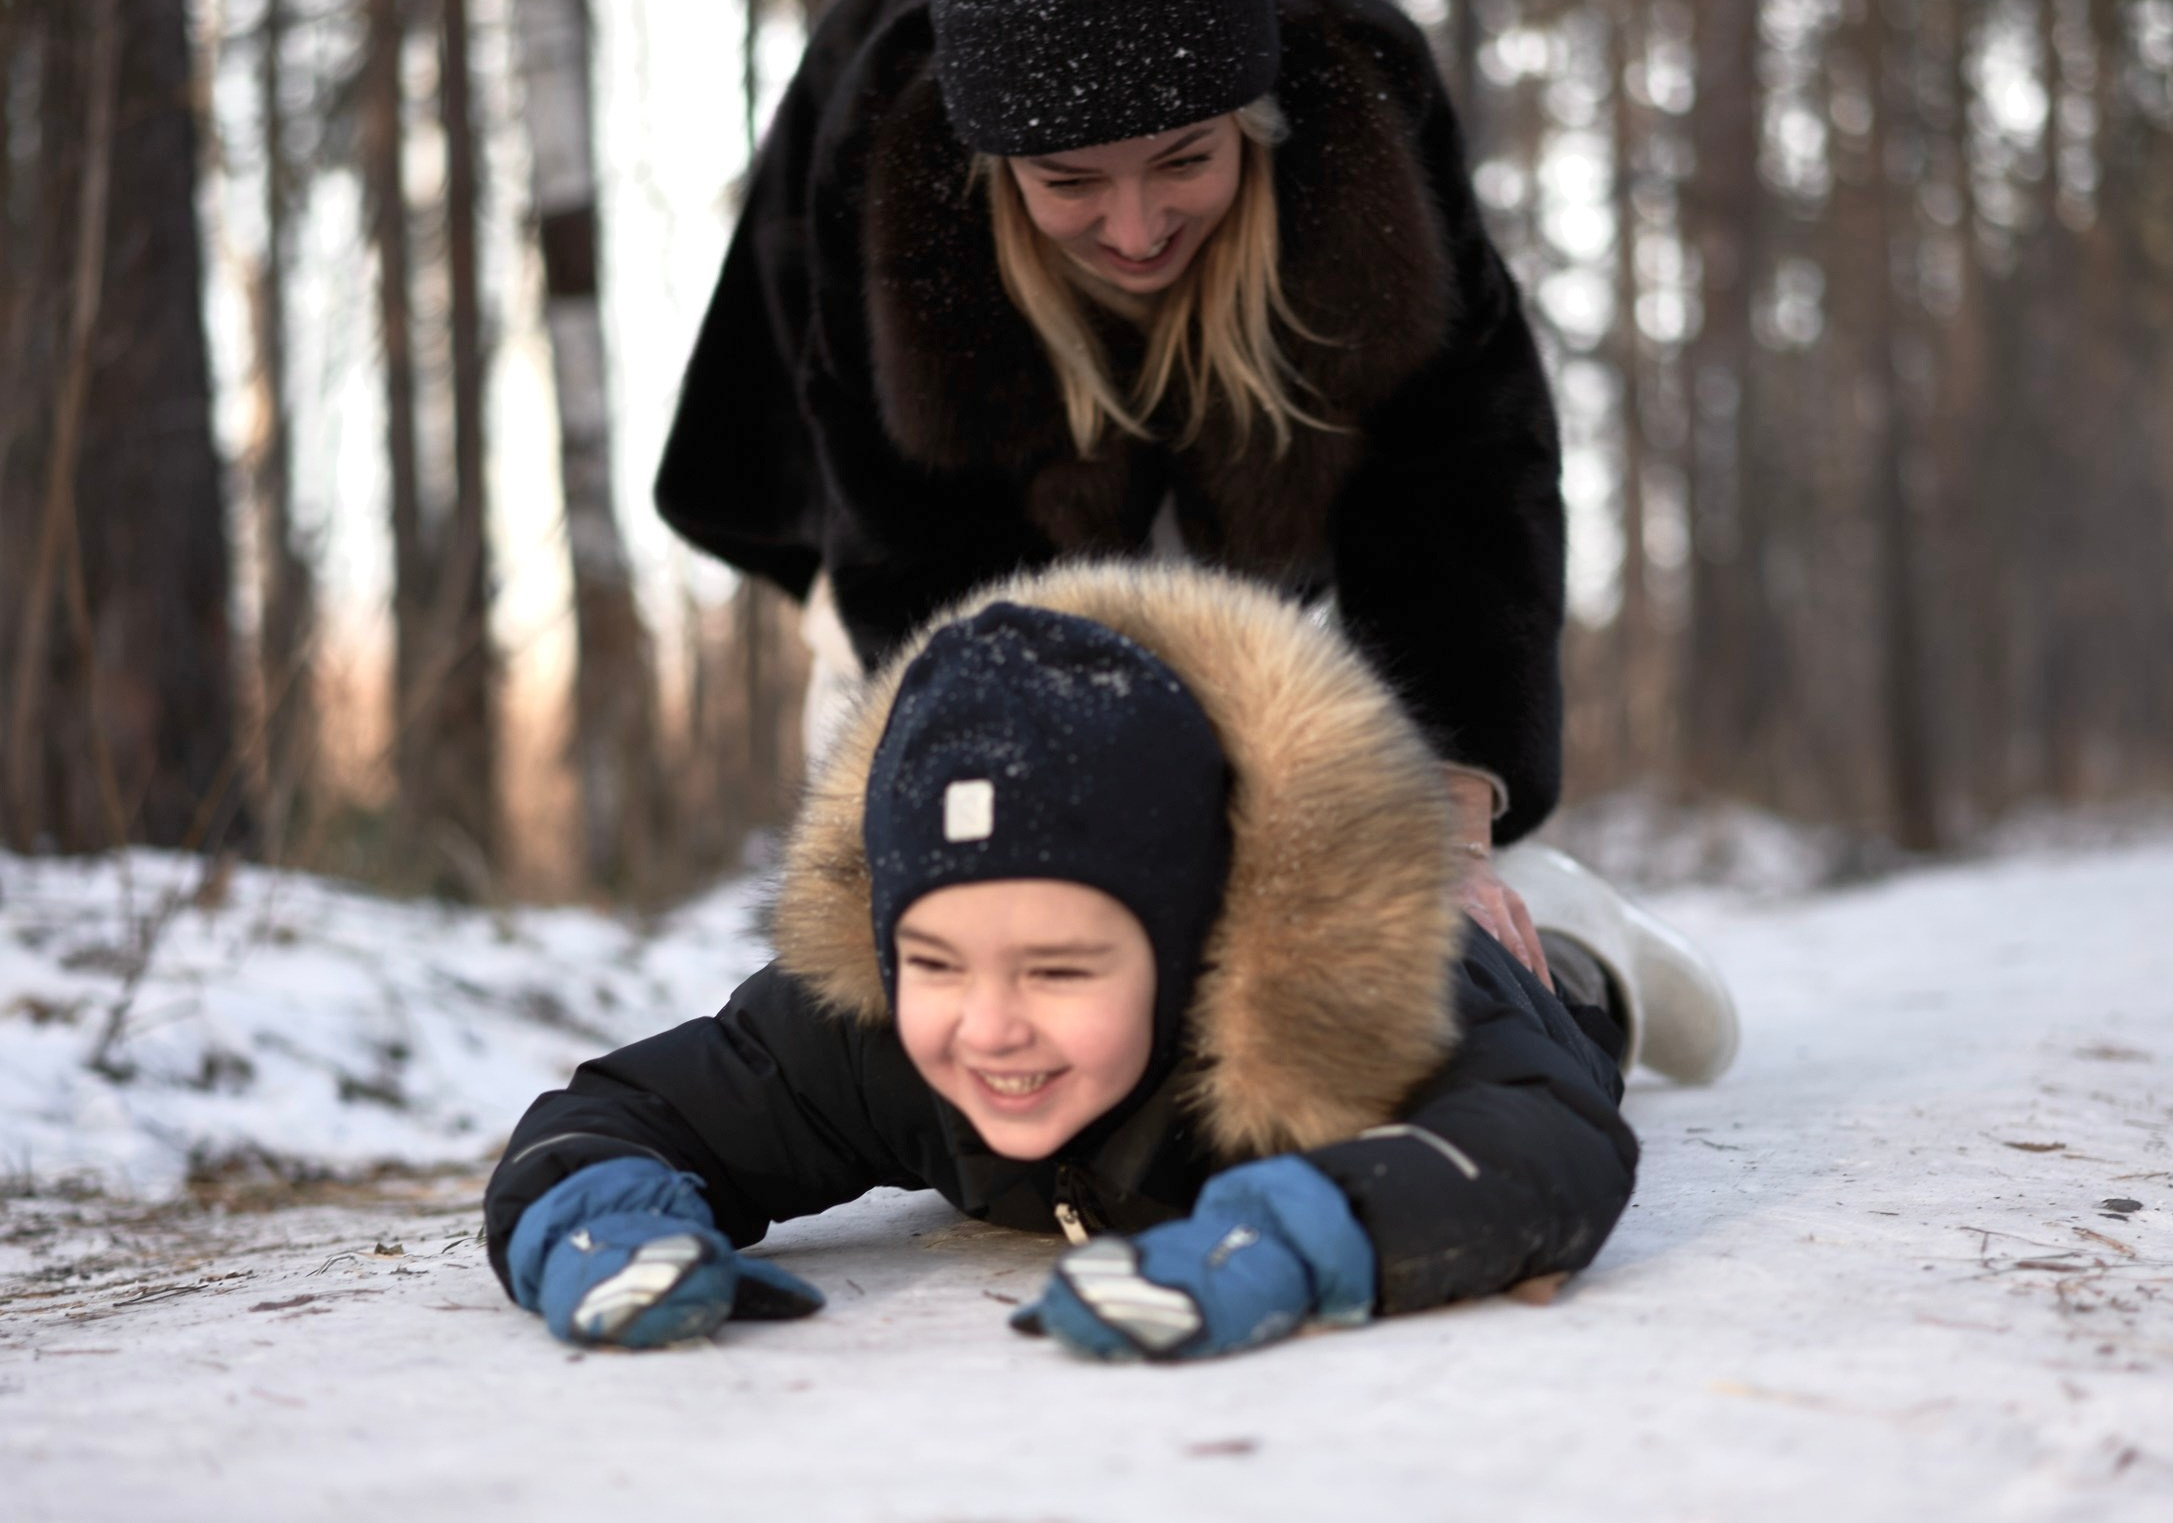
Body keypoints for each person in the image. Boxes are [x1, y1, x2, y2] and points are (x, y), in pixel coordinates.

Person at [653, 0, 1566, 978]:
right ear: (992, 168)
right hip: (930, 514)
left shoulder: (1362, 99)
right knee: (983, 873)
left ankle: (1549, 924)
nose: (1135, 230)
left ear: (1256, 121)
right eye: (1069, 181)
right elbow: (925, 566)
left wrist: (1443, 827)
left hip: (1257, 453)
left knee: (1336, 835)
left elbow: (1464, 480)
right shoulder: (893, 138)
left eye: (1186, 159)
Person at [484, 563, 1639, 1359]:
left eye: (1059, 971)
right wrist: (606, 1219)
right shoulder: (871, 1028)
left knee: (1567, 1010)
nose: (987, 1026)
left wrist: (1301, 1234)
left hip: (1498, 972)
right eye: (937, 961)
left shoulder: (1350, 997)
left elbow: (1548, 1133)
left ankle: (1592, 946)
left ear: (1189, 946)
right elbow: (623, 1110)